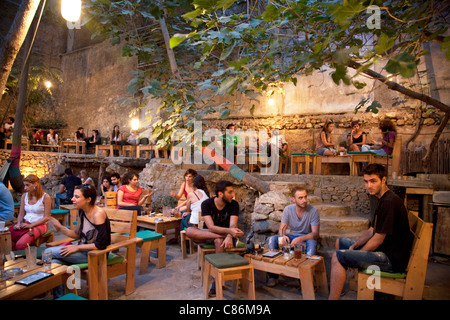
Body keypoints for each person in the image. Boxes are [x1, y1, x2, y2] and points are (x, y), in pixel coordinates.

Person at [328, 164, 414, 299]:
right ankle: (348, 283)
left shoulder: (389, 202)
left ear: (383, 180)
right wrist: (355, 245)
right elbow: (372, 230)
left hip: (391, 259)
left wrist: (355, 255)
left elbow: (378, 239)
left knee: (337, 257)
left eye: (373, 181)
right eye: (366, 181)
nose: (369, 186)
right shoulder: (382, 198)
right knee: (341, 242)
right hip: (384, 249)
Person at [44, 184, 111, 299]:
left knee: (47, 252)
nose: (72, 199)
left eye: (76, 197)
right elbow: (77, 235)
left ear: (88, 199)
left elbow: (101, 245)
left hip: (95, 254)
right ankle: (60, 297)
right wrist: (61, 228)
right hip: (84, 250)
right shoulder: (82, 211)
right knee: (55, 262)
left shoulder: (98, 214)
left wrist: (77, 248)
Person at [185, 180, 243, 296]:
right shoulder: (207, 204)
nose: (233, 195)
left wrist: (229, 233)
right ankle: (223, 237)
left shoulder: (234, 204)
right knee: (189, 230)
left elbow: (233, 225)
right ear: (220, 194)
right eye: (230, 192)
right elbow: (211, 227)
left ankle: (217, 281)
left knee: (218, 241)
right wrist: (229, 234)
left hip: (221, 237)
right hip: (208, 234)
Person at [266, 187, 320, 287]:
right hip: (292, 235)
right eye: (300, 198)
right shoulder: (288, 209)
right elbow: (281, 229)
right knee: (273, 239)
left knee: (312, 244)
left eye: (305, 197)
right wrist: (283, 237)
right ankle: (272, 276)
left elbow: (315, 234)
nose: (304, 200)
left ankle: (304, 278)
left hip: (307, 237)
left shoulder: (313, 211)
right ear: (293, 199)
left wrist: (300, 239)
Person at [9, 175, 51, 250]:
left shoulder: (46, 197)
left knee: (20, 245)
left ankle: (25, 255)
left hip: (39, 225)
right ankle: (17, 257)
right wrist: (18, 223)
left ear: (35, 184)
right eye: (24, 185)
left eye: (27, 185)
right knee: (6, 239)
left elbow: (47, 217)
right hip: (25, 223)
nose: (25, 188)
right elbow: (21, 214)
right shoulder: (24, 196)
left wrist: (32, 225)